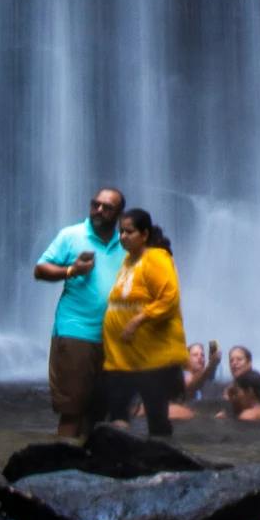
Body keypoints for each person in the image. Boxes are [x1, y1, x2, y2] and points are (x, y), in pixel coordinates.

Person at [35, 187, 127, 439]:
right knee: (72, 409)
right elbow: (40, 270)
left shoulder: (126, 243)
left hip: (111, 338)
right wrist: (70, 271)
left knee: (97, 412)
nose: (98, 210)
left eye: (107, 207)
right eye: (95, 204)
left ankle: (85, 469)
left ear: (119, 213)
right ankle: (64, 467)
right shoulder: (71, 236)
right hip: (75, 331)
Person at [101, 208, 187, 437]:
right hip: (122, 356)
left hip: (151, 358)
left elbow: (169, 298)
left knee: (156, 416)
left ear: (144, 234)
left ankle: (164, 460)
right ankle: (121, 455)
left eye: (129, 232)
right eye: (121, 232)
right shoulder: (129, 260)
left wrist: (137, 321)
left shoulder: (157, 258)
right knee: (117, 409)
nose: (123, 237)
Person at [166, 338, 221, 422]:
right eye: (195, 355)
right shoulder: (180, 375)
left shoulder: (206, 379)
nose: (200, 357)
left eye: (202, 355)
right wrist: (211, 365)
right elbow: (190, 385)